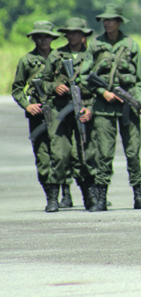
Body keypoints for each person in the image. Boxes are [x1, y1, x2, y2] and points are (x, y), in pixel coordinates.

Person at [80, 4, 141, 211]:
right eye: (105, 19)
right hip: (103, 109)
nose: (107, 22)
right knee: (104, 154)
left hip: (128, 108)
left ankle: (138, 195)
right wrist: (103, 92)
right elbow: (85, 76)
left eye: (111, 19)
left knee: (133, 153)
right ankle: (101, 199)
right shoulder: (95, 45)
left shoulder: (131, 45)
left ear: (119, 21)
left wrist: (140, 102)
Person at [41, 17, 97, 210]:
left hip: (82, 109)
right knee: (59, 153)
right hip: (60, 111)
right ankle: (54, 198)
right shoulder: (57, 55)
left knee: (83, 154)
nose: (72, 36)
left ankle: (89, 197)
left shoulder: (91, 56)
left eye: (76, 32)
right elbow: (44, 82)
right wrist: (55, 87)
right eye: (69, 33)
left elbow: (100, 87)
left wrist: (91, 108)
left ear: (83, 35)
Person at [11, 21, 62, 212]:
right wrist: (27, 105)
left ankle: (66, 191)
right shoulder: (27, 61)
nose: (43, 40)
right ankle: (52, 197)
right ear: (34, 38)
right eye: (39, 36)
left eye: (46, 36)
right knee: (43, 156)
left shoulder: (60, 57)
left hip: (59, 113)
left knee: (63, 154)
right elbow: (17, 89)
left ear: (52, 38)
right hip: (38, 114)